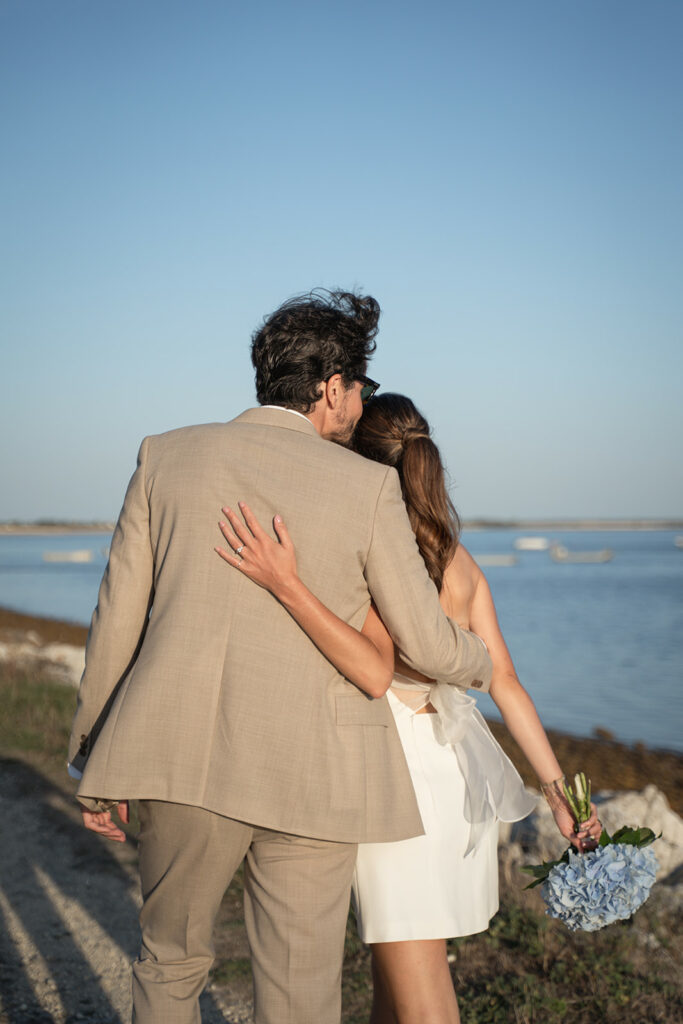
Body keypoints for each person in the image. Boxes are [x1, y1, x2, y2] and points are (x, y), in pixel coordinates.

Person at [68, 293, 493, 1024]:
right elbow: (422, 643)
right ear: (331, 387)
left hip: (180, 756)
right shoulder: (365, 485)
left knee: (169, 965)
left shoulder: (164, 455)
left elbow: (117, 618)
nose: (361, 402)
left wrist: (92, 758)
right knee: (300, 994)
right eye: (360, 385)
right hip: (317, 775)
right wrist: (479, 661)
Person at [215, 392, 601, 1024]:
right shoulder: (461, 563)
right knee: (396, 974)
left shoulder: (365, 559)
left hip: (392, 781)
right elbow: (506, 682)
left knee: (416, 981)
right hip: (450, 778)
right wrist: (558, 793)